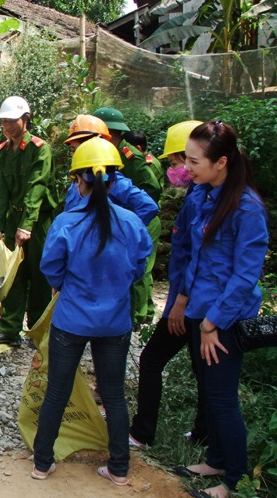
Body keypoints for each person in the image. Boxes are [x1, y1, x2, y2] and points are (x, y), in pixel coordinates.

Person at [31, 137, 152, 484]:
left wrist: (66, 283)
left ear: (78, 180)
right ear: (114, 180)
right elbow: (140, 266)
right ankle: (119, 469)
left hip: (72, 320)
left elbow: (51, 267)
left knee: (58, 390)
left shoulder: (67, 223)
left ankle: (42, 463)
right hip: (115, 321)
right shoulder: (131, 222)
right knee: (113, 394)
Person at [174, 121, 268, 498]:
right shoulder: (208, 194)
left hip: (223, 318)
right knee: (211, 391)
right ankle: (215, 458)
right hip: (202, 309)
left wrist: (212, 323)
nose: (188, 167)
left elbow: (244, 276)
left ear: (222, 162)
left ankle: (234, 479)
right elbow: (197, 257)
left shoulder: (246, 209)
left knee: (224, 398)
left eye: (195, 161)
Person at [129, 120, 206, 449]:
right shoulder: (198, 193)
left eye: (177, 163)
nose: (175, 170)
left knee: (152, 360)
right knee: (204, 370)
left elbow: (197, 256)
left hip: (196, 303)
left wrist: (180, 301)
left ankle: (143, 432)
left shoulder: (204, 199)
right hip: (191, 299)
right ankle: (203, 433)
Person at [0, 96, 57, 348]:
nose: (8, 126)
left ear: (25, 120)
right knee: (13, 277)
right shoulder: (3, 151)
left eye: (12, 121)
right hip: (14, 219)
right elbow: (0, 190)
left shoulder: (40, 149)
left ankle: (37, 331)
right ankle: (10, 329)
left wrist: (27, 226)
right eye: (4, 122)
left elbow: (37, 188)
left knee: (39, 276)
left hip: (38, 221)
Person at [93, 107, 162, 326]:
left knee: (137, 271)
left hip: (143, 217)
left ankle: (138, 318)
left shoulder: (129, 155)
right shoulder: (106, 151)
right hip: (127, 218)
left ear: (109, 133)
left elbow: (152, 189)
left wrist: (129, 220)